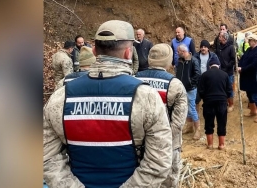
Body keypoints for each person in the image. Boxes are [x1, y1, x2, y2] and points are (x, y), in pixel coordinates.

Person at [43, 20, 172, 188]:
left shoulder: (61, 97)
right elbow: (159, 163)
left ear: (94, 51)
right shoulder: (147, 97)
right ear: (128, 53)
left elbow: (47, 157)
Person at [136, 43, 187, 187]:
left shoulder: (134, 80)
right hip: (168, 146)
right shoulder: (175, 84)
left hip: (140, 144)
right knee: (168, 181)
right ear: (169, 60)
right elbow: (178, 122)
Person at [198, 57, 232, 150]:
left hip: (208, 102)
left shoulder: (204, 75)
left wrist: (205, 98)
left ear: (209, 66)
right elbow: (229, 90)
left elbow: (200, 90)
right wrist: (225, 97)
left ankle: (210, 145)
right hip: (222, 102)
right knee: (222, 123)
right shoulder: (224, 75)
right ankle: (221, 145)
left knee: (208, 124)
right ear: (219, 65)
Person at [175, 43, 202, 139]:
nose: (177, 53)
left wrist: (190, 83)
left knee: (192, 109)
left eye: (178, 52)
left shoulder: (193, 60)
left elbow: (197, 74)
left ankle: (198, 130)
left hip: (190, 89)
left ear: (183, 52)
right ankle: (190, 127)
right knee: (185, 108)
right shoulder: (180, 60)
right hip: (182, 88)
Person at [237, 34, 257, 122]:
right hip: (246, 76)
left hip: (253, 76)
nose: (248, 42)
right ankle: (253, 111)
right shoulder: (249, 49)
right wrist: (239, 66)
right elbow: (243, 58)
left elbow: (254, 65)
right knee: (249, 94)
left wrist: (242, 69)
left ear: (255, 42)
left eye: (250, 41)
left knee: (255, 95)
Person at [195, 40, 220, 110]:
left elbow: (218, 66)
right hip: (198, 79)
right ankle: (196, 114)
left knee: (208, 96)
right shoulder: (195, 56)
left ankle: (208, 111)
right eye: (202, 47)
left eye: (205, 47)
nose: (203, 48)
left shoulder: (213, 56)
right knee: (197, 97)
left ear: (208, 48)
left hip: (209, 79)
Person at [215, 31, 236, 112]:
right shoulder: (219, 47)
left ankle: (231, 104)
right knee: (221, 88)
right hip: (220, 71)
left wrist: (227, 66)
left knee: (229, 88)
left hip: (228, 72)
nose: (218, 38)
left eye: (220, 37)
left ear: (224, 38)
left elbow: (233, 60)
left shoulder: (231, 47)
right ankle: (224, 103)